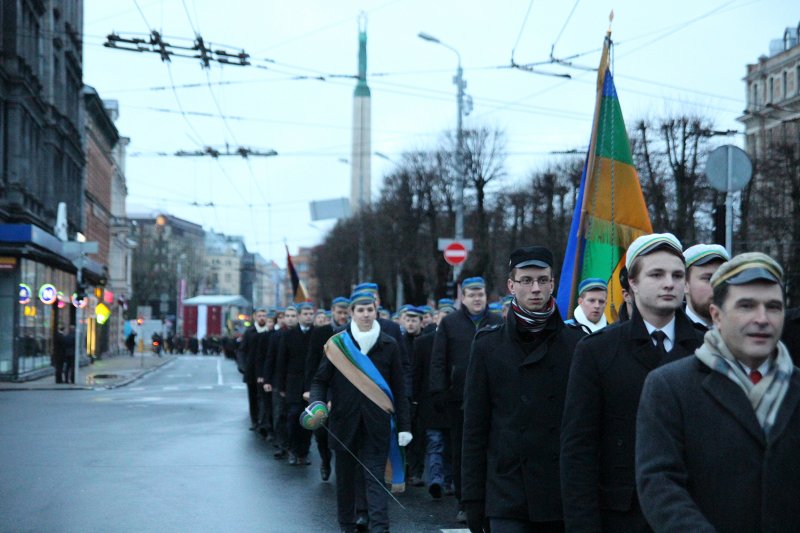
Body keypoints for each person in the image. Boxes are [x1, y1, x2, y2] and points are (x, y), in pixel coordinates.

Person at [635, 252, 800, 532]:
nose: (762, 319)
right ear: (717, 315)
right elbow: (660, 484)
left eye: (773, 307)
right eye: (746, 306)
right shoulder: (670, 386)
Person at [560, 233, 704, 532]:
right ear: (632, 283)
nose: (669, 283)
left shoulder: (708, 350)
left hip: (693, 514)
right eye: (657, 274)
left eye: (678, 275)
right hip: (621, 516)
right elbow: (579, 448)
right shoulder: (596, 351)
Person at [462, 246, 586, 533]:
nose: (535, 288)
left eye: (543, 280)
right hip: (508, 491)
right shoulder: (488, 347)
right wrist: (472, 499)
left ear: (553, 284)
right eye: (526, 280)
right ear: (511, 286)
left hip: (560, 492)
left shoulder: (577, 344)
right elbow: (475, 429)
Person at [310, 290, 410, 533]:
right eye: (361, 310)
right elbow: (320, 381)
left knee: (375, 479)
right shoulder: (337, 344)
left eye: (370, 310)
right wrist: (317, 403)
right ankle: (346, 525)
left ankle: (380, 527)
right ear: (352, 314)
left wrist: (405, 426)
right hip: (344, 423)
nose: (366, 314)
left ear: (376, 311)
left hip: (377, 424)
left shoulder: (390, 344)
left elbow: (400, 387)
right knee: (344, 480)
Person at [429, 276, 502, 523]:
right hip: (459, 398)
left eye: (480, 293)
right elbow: (439, 359)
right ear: (463, 297)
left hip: (493, 398)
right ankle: (465, 501)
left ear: (486, 295)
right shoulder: (450, 323)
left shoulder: (497, 321)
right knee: (462, 451)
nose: (477, 298)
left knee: (493, 449)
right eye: (472, 294)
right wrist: (439, 390)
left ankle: (491, 498)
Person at [306, 296, 351, 481]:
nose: (342, 316)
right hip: (323, 385)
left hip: (342, 387)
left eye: (345, 313)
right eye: (339, 312)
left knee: (342, 427)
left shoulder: (350, 333)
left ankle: (342, 464)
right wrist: (309, 390)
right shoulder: (320, 332)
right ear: (332, 311)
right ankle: (325, 460)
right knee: (321, 428)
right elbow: (311, 363)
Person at [276, 302, 315, 466]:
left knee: (309, 420)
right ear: (299, 316)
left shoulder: (317, 335)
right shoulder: (289, 335)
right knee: (292, 417)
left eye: (310, 313)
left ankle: (303, 453)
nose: (308, 316)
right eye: (305, 314)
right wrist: (281, 386)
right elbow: (281, 361)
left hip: (311, 385)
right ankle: (292, 450)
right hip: (292, 384)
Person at [401, 306, 426, 487]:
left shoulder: (426, 341)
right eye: (408, 320)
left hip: (423, 393)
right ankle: (406, 470)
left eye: (414, 320)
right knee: (406, 433)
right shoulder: (399, 342)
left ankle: (417, 471)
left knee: (421, 434)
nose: (410, 323)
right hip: (405, 394)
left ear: (421, 321)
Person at [682, 243, 730, 330]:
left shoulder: (740, 330)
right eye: (709, 279)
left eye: (723, 279)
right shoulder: (668, 332)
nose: (718, 286)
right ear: (685, 284)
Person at [239, 308, 270, 431]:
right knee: (252, 397)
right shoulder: (250, 332)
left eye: (264, 315)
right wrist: (243, 367)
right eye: (260, 315)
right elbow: (242, 350)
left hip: (264, 371)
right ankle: (254, 420)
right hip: (251, 371)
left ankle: (263, 421)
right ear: (255, 317)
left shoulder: (269, 331)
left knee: (263, 397)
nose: (262, 317)